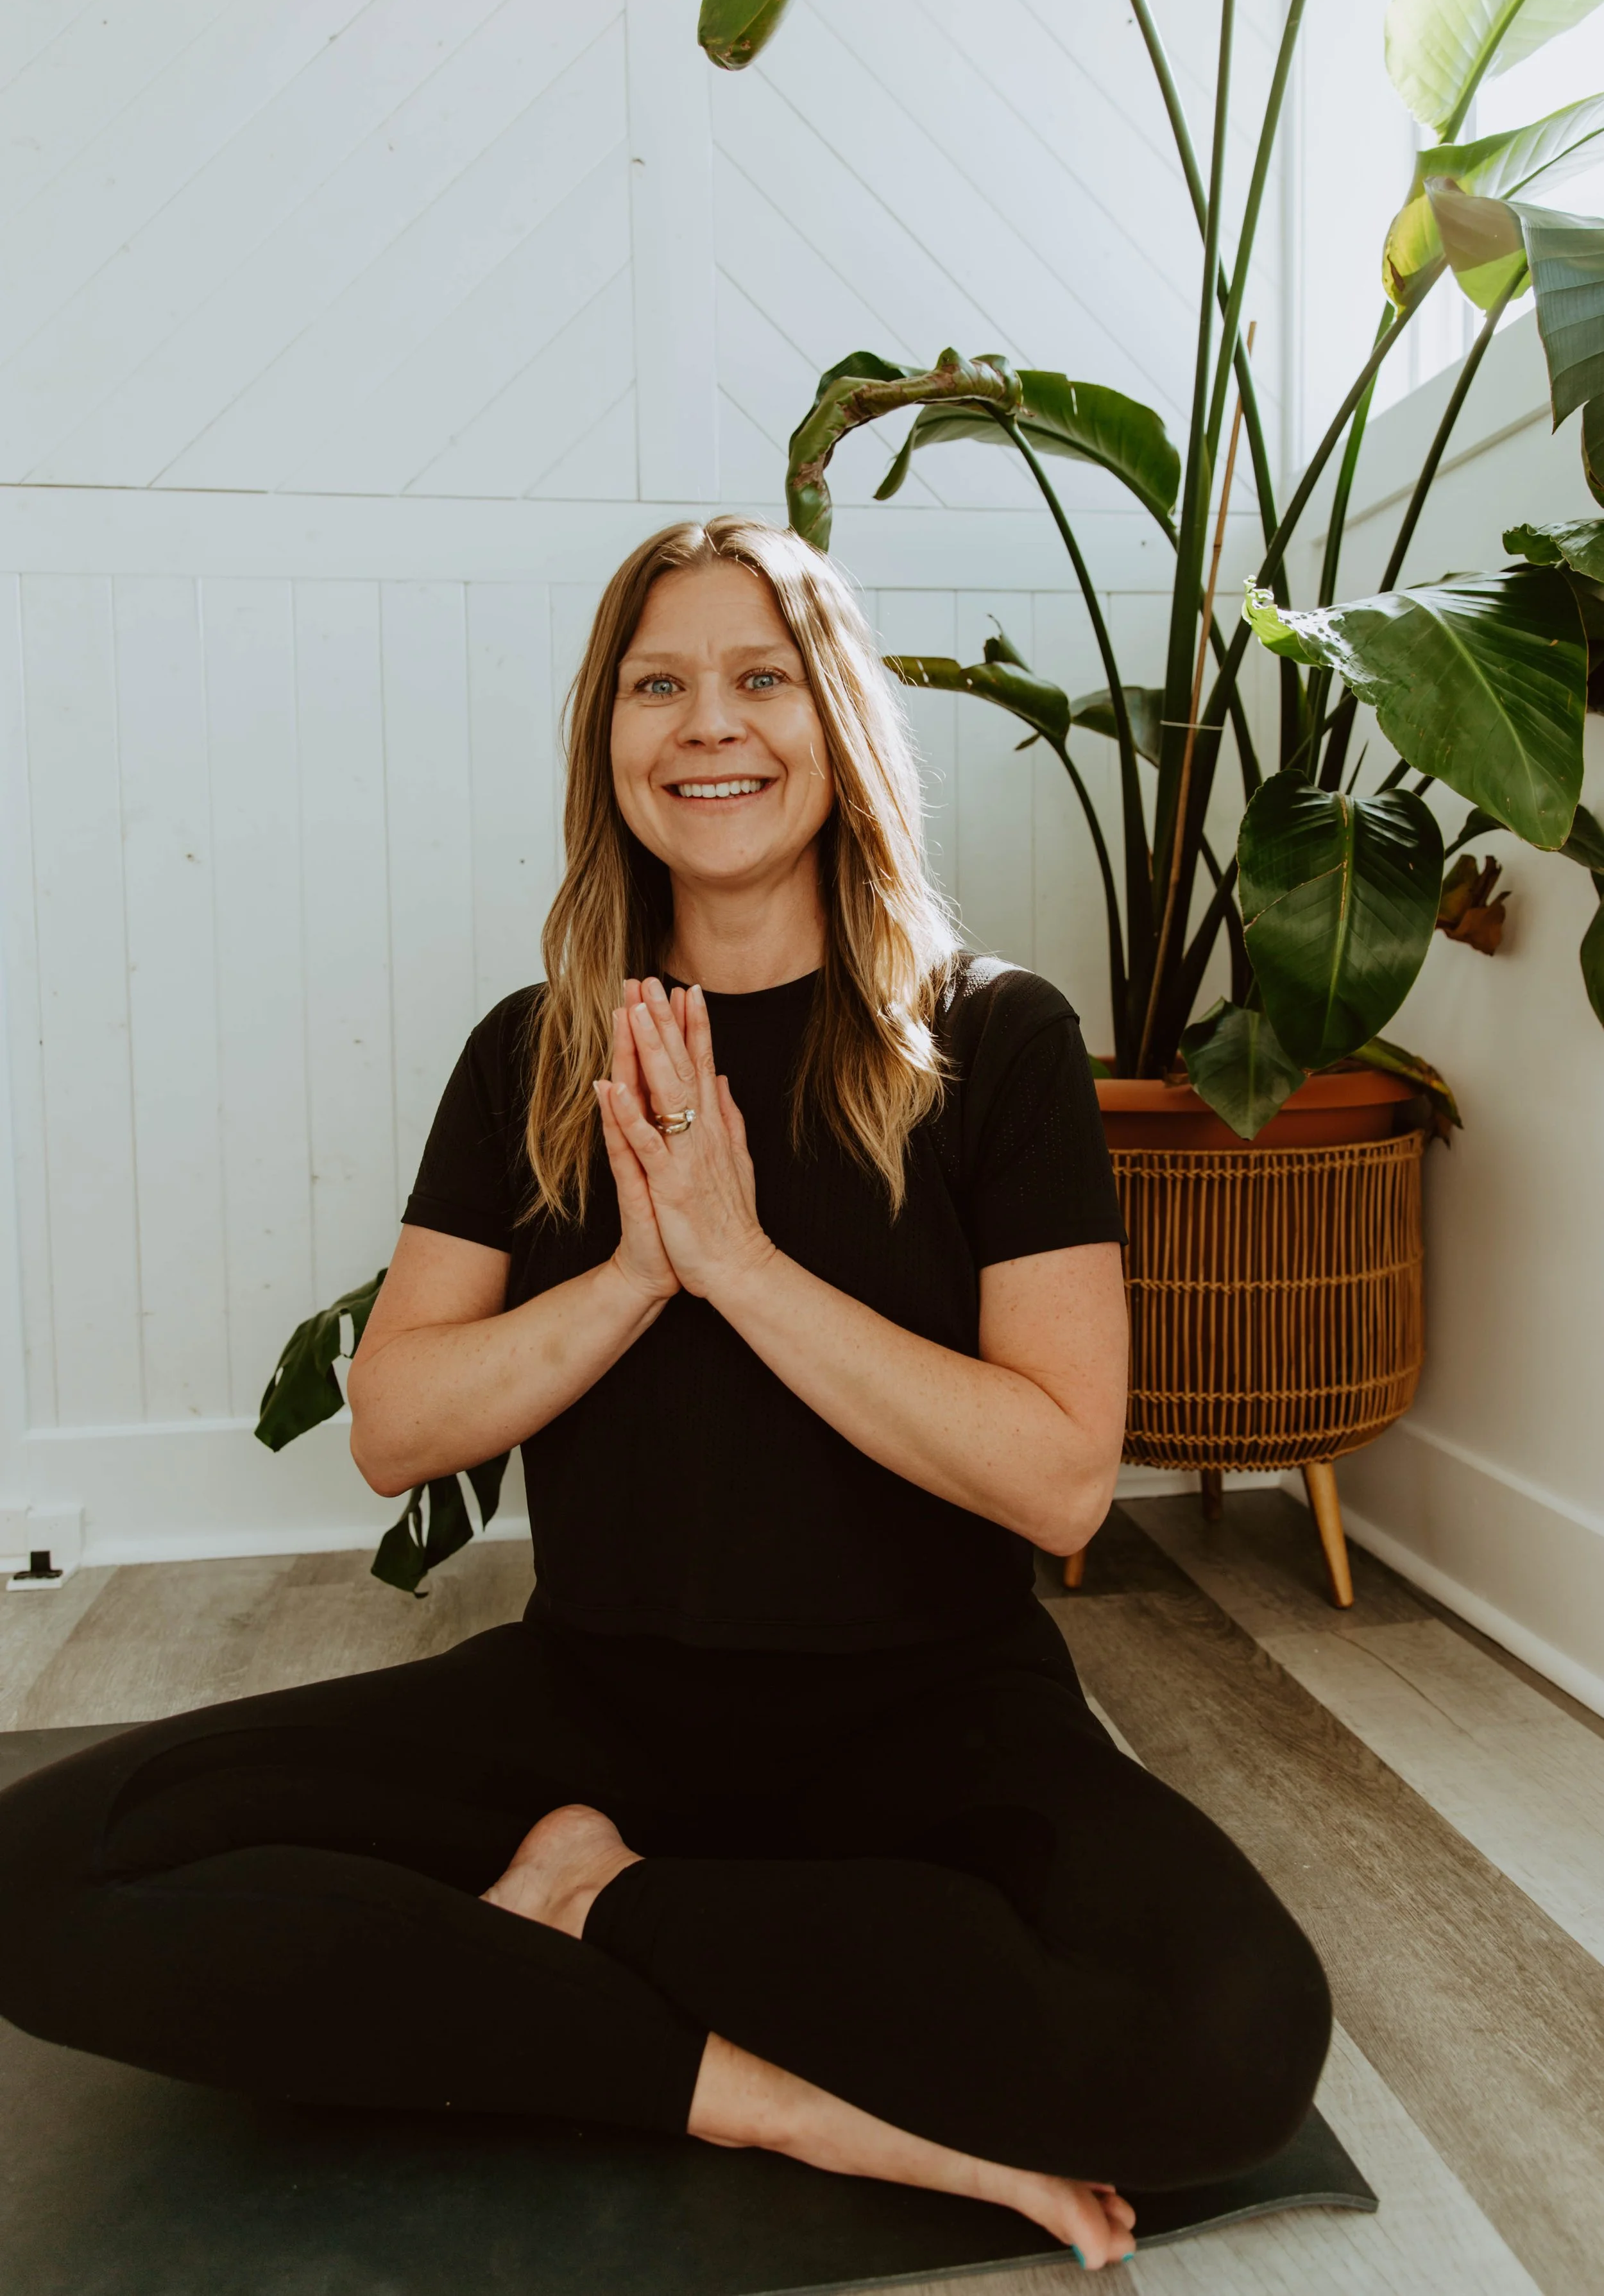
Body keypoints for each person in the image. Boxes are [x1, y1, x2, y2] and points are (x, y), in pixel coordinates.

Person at [0, 517, 1330, 2272]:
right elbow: (398, 1424)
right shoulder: (535, 1052)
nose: (710, 724)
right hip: (593, 1706)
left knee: (1232, 2038)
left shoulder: (992, 1040)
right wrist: (637, 1271)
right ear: (607, 739)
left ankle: (602, 1907)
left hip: (934, 1715)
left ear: (837, 721)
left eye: (761, 677)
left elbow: (1061, 1476)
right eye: (658, 685)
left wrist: (739, 1259)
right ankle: (745, 2084)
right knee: (44, 1870)